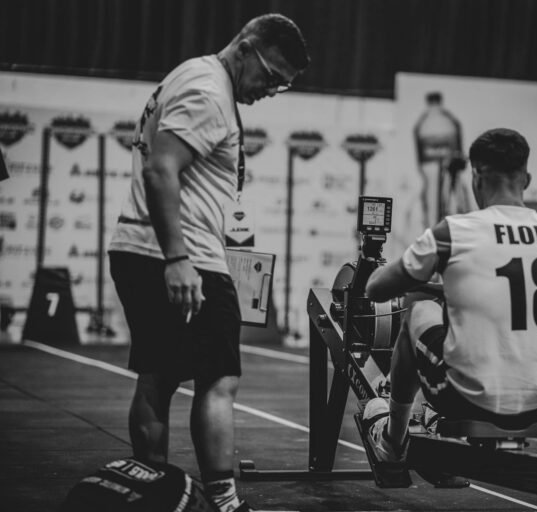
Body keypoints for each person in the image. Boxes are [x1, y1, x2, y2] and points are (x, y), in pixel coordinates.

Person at [108, 14, 309, 512]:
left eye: (282, 85)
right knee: (219, 380)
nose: (270, 89)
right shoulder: (210, 91)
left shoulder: (193, 76)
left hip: (146, 248)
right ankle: (223, 502)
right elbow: (161, 170)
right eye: (271, 76)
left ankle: (150, 491)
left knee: (158, 375)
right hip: (180, 256)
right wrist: (178, 259)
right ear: (244, 48)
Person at [363, 128, 537, 463]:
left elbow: (376, 289)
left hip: (466, 399)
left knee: (420, 313)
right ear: (526, 179)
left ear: (476, 177)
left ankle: (393, 442)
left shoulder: (452, 234)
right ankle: (433, 422)